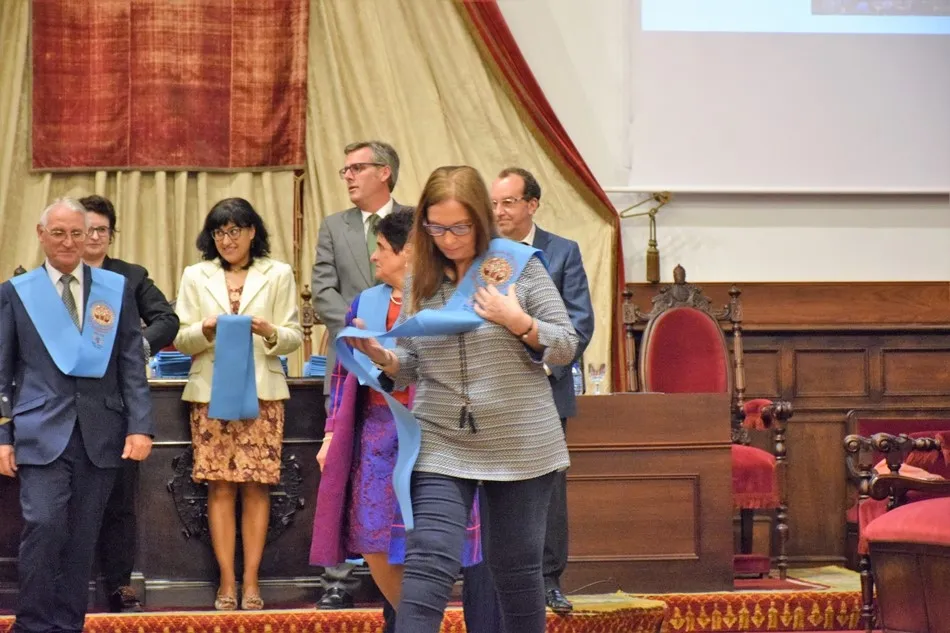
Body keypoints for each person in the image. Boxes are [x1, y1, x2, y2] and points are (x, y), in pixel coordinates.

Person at [346, 165, 578, 633]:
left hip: (520, 438)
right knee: (428, 559)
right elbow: (411, 362)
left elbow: (566, 345)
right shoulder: (421, 276)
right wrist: (382, 357)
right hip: (441, 437)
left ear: (480, 220)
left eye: (459, 228)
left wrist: (519, 322)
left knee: (516, 569)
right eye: (436, 229)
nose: (448, 240)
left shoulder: (520, 266)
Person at [0, 198, 154, 633]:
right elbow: (2, 368)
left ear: (89, 236)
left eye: (76, 233)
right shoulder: (17, 292)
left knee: (83, 538)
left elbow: (130, 362)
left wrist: (141, 426)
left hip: (101, 431)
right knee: (44, 525)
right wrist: (3, 436)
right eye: (58, 233)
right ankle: (32, 624)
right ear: (41, 235)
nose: (68, 242)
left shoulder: (114, 288)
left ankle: (69, 625)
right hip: (39, 432)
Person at [461, 167, 595, 621]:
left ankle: (549, 579)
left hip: (544, 388)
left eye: (509, 202)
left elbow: (578, 324)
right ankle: (488, 581)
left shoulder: (560, 252)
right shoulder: (479, 255)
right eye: (494, 203)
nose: (499, 211)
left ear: (532, 204)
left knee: (546, 492)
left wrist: (537, 357)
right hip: (488, 393)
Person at [174, 198, 302, 610]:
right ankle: (227, 581)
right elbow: (181, 339)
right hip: (210, 394)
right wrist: (205, 328)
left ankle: (251, 581)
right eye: (219, 232)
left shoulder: (277, 273)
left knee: (257, 486)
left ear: (252, 232)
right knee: (220, 486)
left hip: (261, 393)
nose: (227, 240)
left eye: (234, 231)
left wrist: (269, 331)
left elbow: (293, 336)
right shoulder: (196, 275)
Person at [310, 140, 410, 621]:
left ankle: (412, 617)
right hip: (366, 412)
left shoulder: (416, 228)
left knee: (413, 535)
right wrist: (357, 330)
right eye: (343, 169)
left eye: (357, 167)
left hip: (423, 426)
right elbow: (322, 291)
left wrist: (385, 347)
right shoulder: (335, 227)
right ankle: (396, 610)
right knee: (366, 527)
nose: (348, 176)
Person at [80, 194, 179, 612]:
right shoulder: (55, 278)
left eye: (101, 230)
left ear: (111, 234)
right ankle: (69, 587)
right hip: (68, 404)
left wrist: (135, 347)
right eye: (87, 229)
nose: (94, 237)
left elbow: (167, 320)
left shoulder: (130, 276)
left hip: (118, 402)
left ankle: (119, 585)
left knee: (119, 502)